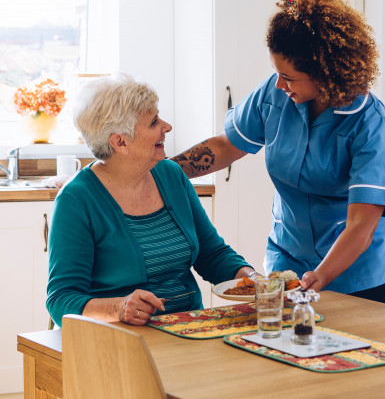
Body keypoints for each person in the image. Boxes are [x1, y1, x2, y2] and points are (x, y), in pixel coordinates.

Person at [171, 0, 385, 304]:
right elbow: (226, 146)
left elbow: (362, 224)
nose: (279, 83)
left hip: (356, 272)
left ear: (325, 72)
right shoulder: (275, 93)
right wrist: (164, 172)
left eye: (289, 77)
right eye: (276, 72)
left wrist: (322, 274)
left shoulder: (370, 124)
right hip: (288, 261)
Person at [46, 73, 257, 327]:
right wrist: (120, 307)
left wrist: (252, 278)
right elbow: (61, 299)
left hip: (188, 329)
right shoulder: (77, 200)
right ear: (120, 142)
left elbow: (212, 255)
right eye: (154, 122)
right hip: (119, 340)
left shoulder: (171, 175)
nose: (167, 127)